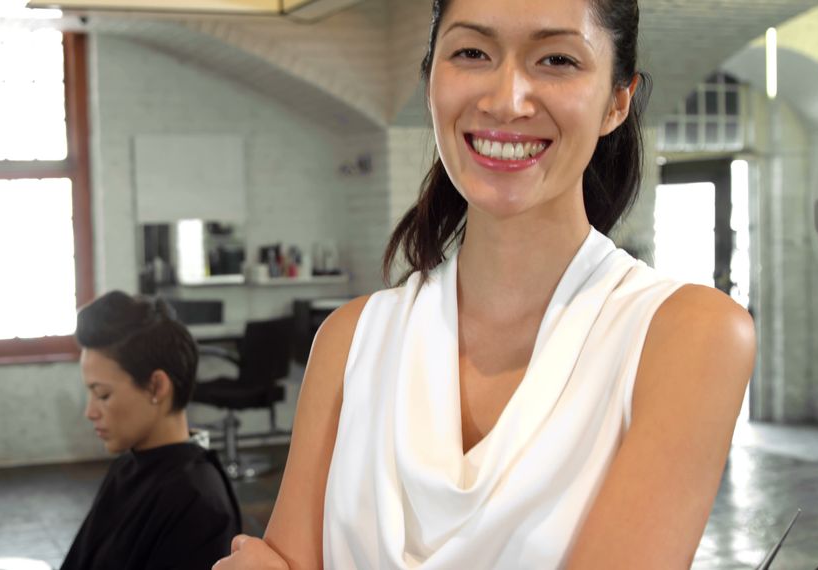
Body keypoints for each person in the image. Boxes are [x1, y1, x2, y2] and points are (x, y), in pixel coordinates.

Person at [214, 0, 755, 568]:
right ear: (430, 80)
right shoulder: (350, 342)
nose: (505, 99)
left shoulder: (688, 336)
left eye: (557, 60)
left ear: (617, 102)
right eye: (472, 52)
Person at [61, 291, 242, 570]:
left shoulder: (197, 504)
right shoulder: (127, 467)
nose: (90, 412)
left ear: (156, 386)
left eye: (103, 395)